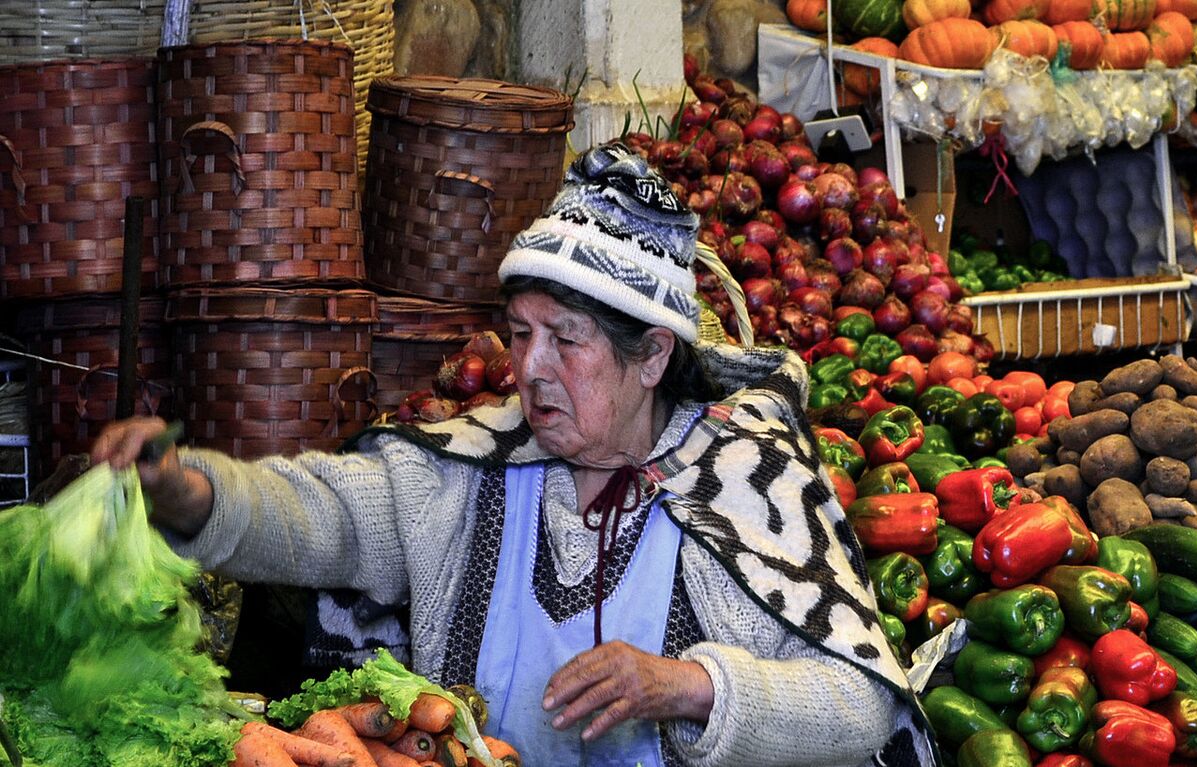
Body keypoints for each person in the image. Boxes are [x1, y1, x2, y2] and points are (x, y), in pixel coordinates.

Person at [92, 143, 934, 767]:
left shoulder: (745, 481)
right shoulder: (471, 473)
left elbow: (858, 701)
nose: (530, 368)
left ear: (650, 357)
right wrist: (194, 493)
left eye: (566, 341)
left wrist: (688, 685)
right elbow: (328, 514)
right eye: (522, 333)